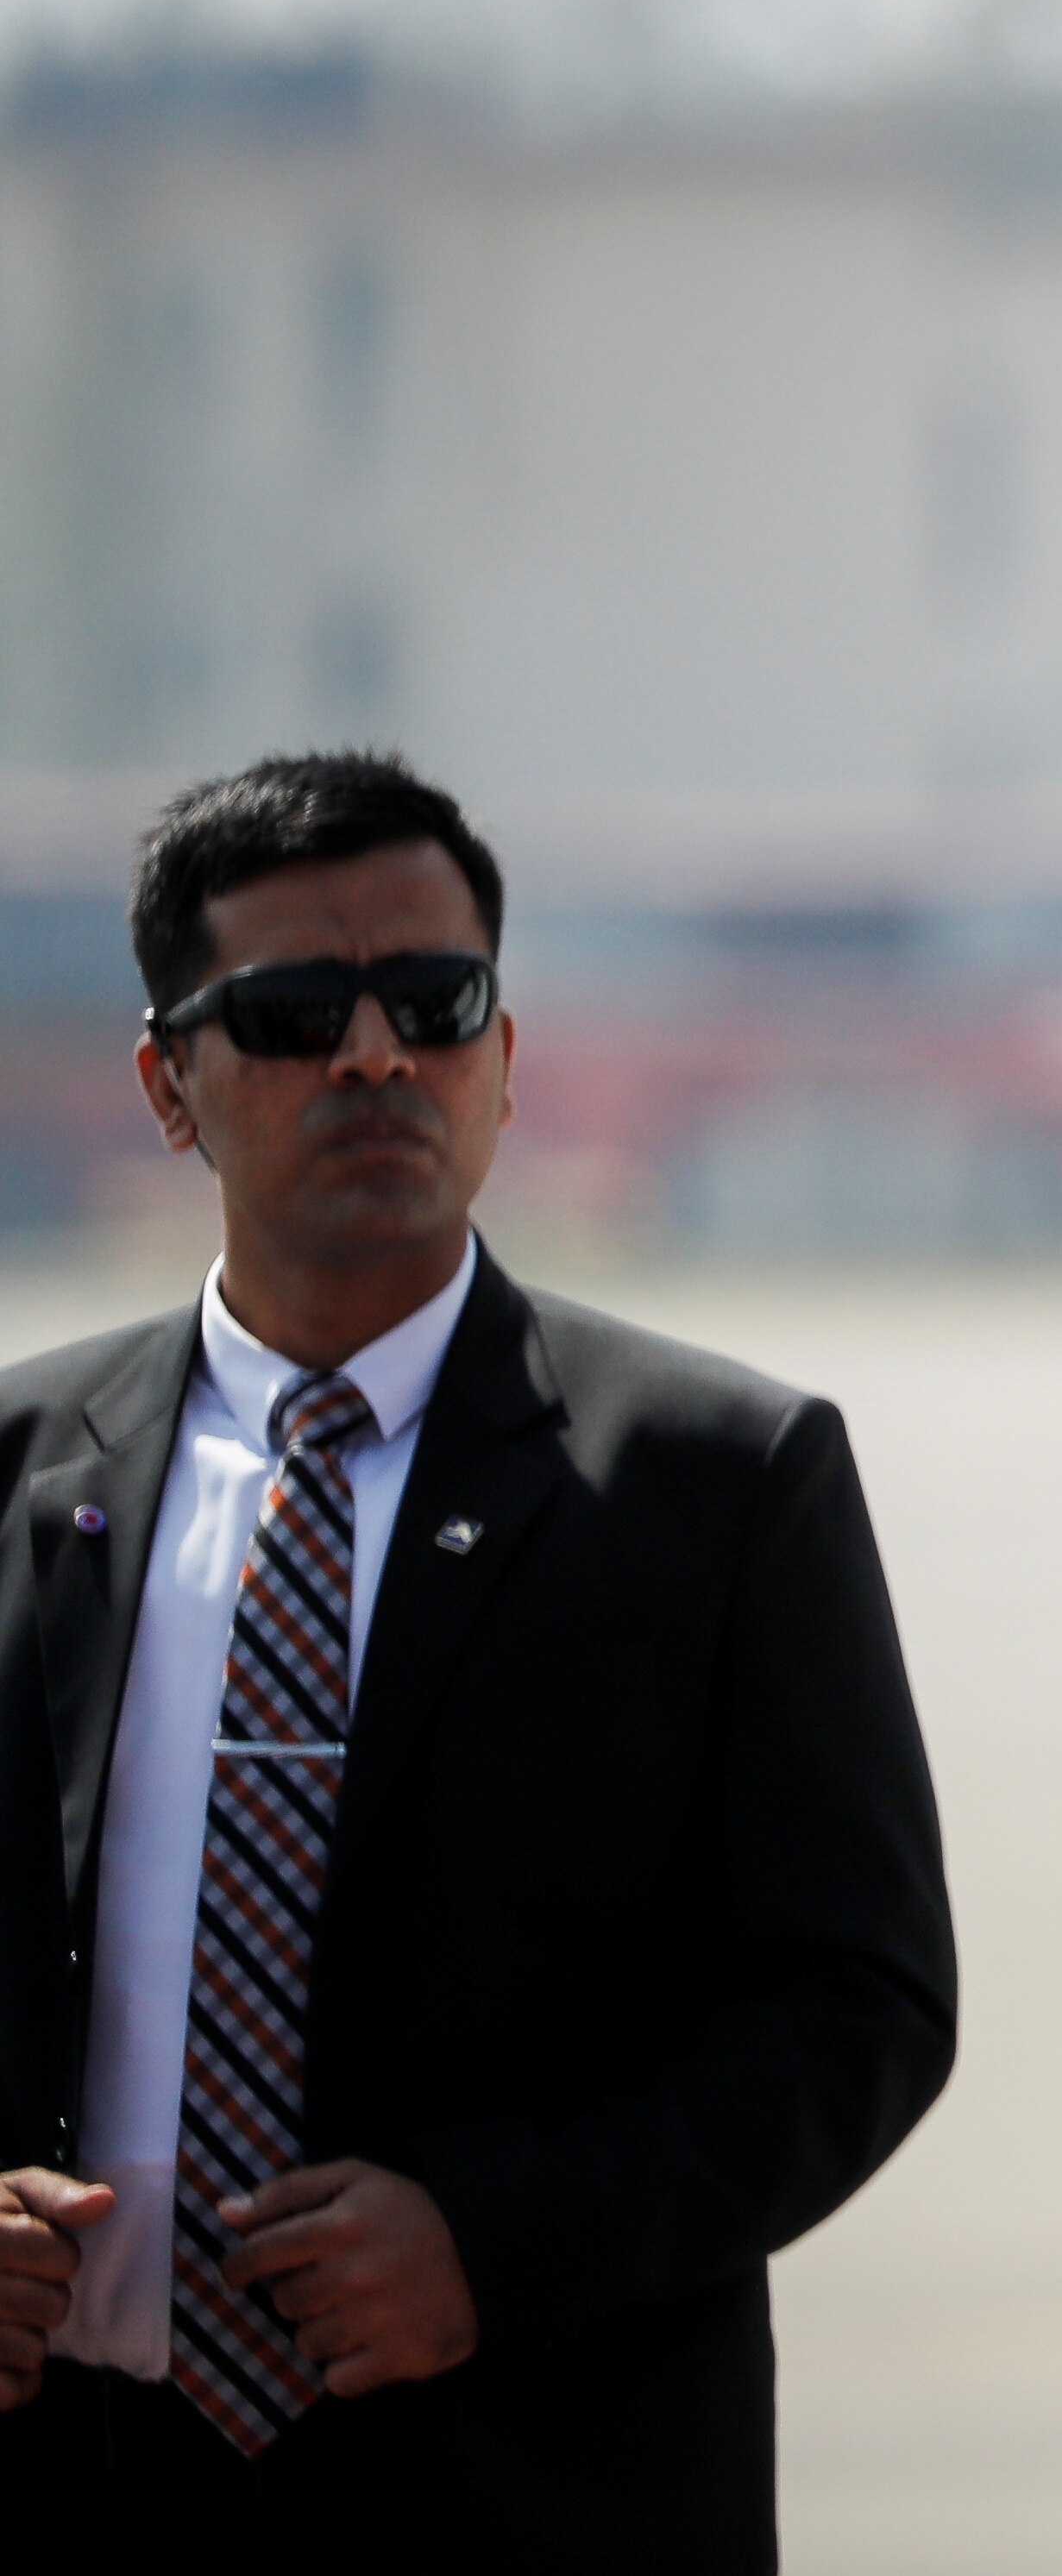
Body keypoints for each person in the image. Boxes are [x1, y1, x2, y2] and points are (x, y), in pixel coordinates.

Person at [0, 755, 958, 2573]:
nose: (376, 1058)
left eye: (433, 1003)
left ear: (503, 1058)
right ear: (165, 1085)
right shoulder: (21, 1474)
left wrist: (489, 2244)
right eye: (294, 1013)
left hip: (534, 2491)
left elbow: (863, 2005)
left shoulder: (715, 1481)